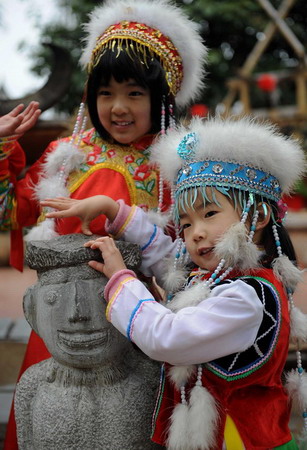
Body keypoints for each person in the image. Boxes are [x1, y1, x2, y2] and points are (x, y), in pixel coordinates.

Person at [1, 1, 207, 447]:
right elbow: (14, 211)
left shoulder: (180, 166)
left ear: (162, 96)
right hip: (59, 324)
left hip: (139, 324)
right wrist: (1, 151)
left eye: (135, 93)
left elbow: (195, 250)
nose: (118, 107)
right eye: (105, 93)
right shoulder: (66, 155)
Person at [43, 116, 307, 449]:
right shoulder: (215, 278)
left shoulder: (246, 298)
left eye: (209, 214)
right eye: (185, 224)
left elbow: (167, 338)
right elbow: (166, 254)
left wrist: (121, 280)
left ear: (258, 216)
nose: (195, 232)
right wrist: (112, 209)